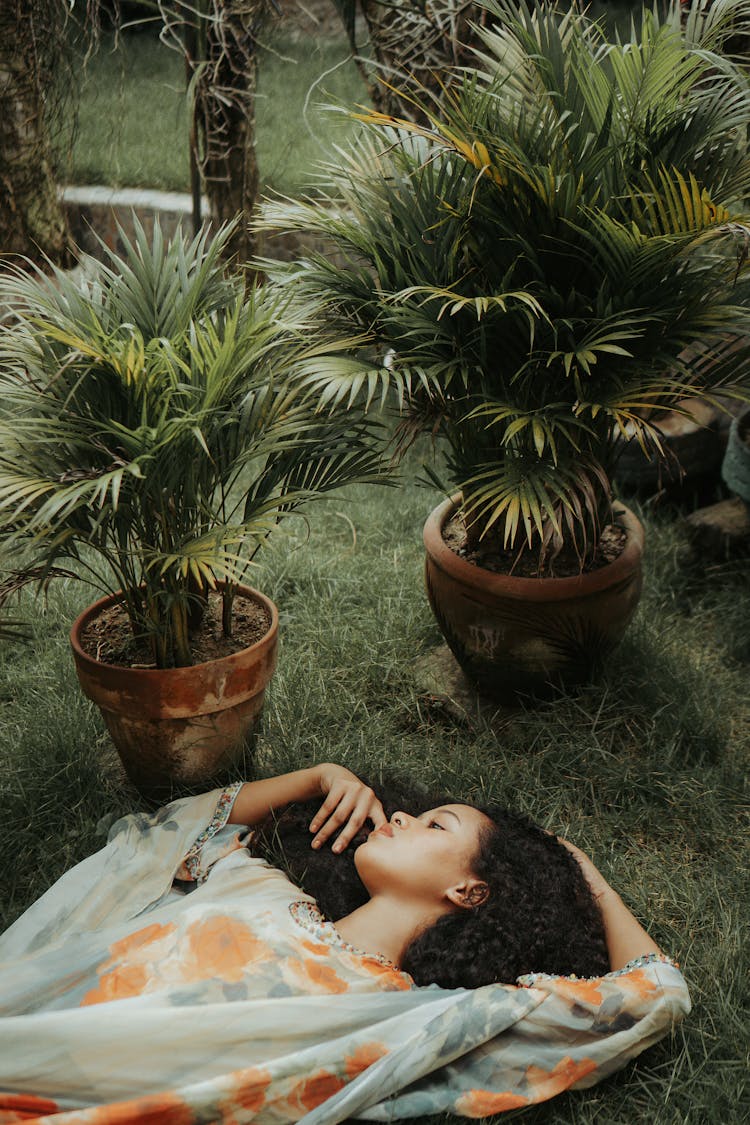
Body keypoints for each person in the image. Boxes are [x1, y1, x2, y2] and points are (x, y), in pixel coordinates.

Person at [0, 763, 690, 1125]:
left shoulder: (412, 1017)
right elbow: (172, 828)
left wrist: (582, 870)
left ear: (470, 892)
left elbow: (653, 994)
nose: (398, 815)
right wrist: (317, 776)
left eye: (432, 825)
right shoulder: (262, 887)